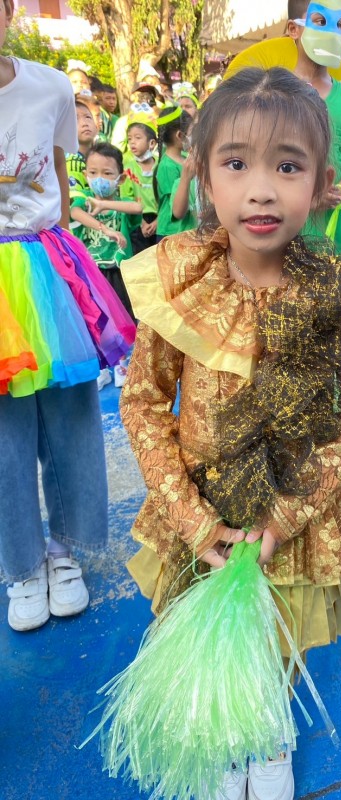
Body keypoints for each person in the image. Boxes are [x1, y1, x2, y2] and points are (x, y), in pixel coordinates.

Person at [119, 66, 341, 800]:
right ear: (205, 178)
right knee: (203, 631)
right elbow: (143, 403)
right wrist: (190, 517)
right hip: (200, 513)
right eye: (236, 164)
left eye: (287, 167)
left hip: (290, 516)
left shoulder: (337, 296)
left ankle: (268, 727)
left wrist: (285, 516)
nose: (261, 190)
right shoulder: (180, 282)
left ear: (324, 184)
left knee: (281, 633)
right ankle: (220, 729)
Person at [0, 0, 135, 632]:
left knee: (72, 413)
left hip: (45, 266)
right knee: (3, 430)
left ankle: (64, 550)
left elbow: (56, 176)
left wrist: (61, 265)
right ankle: (21, 565)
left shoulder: (51, 87)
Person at [286, 0, 341, 253]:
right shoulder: (275, 92)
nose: (331, 31)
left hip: (335, 243)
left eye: (339, 24)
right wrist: (304, 196)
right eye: (320, 21)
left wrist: (339, 191)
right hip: (282, 241)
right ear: (294, 29)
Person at [70, 142, 141, 389]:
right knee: (95, 320)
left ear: (120, 179)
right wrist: (104, 228)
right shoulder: (82, 200)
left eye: (107, 173)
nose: (99, 178)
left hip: (117, 272)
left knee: (119, 320)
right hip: (91, 273)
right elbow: (75, 213)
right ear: (85, 174)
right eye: (93, 172)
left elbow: (137, 207)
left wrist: (105, 205)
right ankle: (102, 369)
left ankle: (121, 364)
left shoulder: (122, 203)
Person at [154, 105, 196, 238]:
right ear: (180, 135)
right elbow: (177, 206)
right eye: (191, 132)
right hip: (171, 232)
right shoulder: (167, 167)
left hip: (185, 229)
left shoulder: (185, 158)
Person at [123, 110, 159, 254]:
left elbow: (167, 199)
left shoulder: (161, 166)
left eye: (137, 137)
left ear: (152, 143)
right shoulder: (128, 169)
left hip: (160, 220)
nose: (132, 142)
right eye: (129, 138)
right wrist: (141, 223)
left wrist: (158, 221)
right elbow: (126, 198)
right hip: (137, 220)